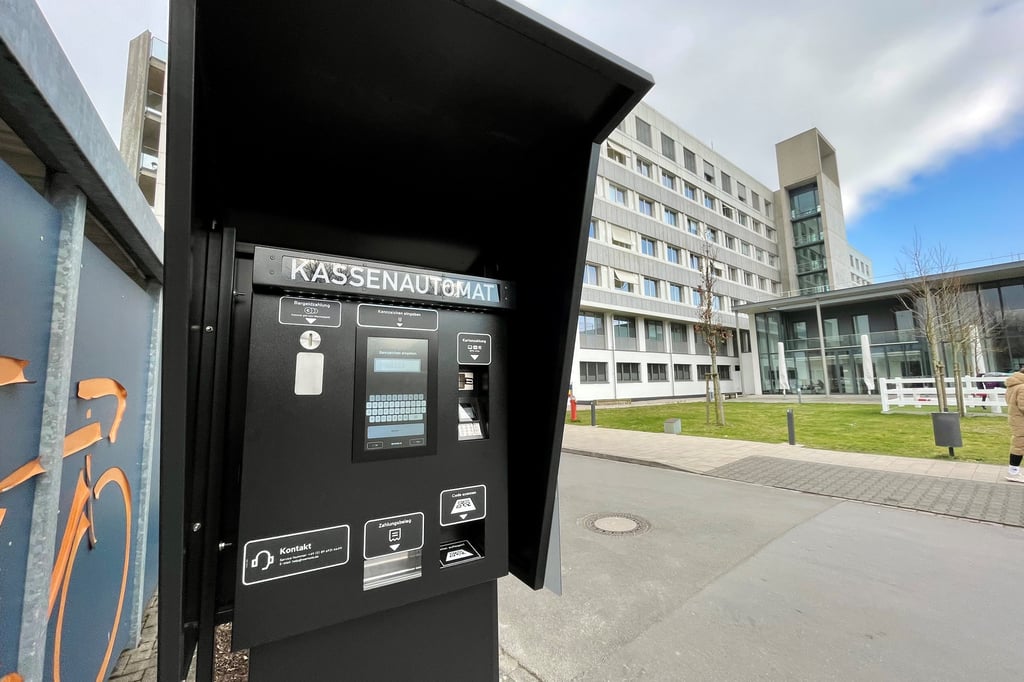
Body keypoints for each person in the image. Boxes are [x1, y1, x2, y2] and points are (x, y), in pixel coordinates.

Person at [1005, 366, 1024, 483]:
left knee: (1018, 445)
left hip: (1016, 419)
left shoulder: (1013, 386)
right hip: (1021, 421)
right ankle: (1013, 472)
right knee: (1019, 446)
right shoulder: (1022, 387)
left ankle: (1013, 471)